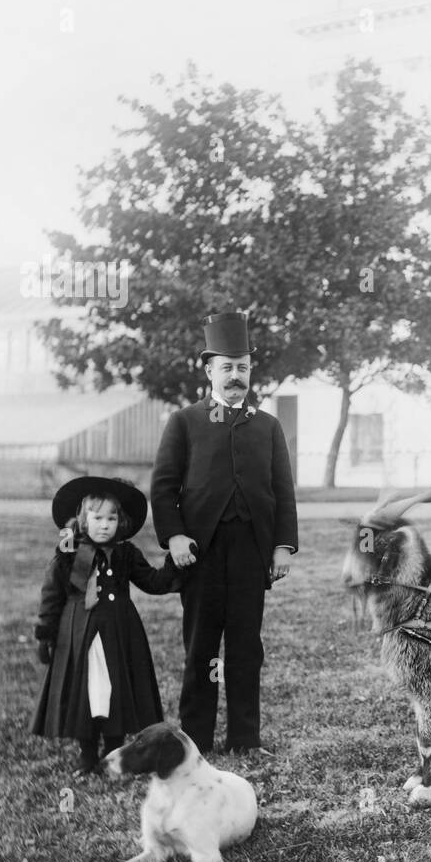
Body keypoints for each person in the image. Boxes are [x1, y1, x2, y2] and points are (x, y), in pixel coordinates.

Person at [150, 312, 298, 756]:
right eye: (227, 367)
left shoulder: (267, 426)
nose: (236, 376)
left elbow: (282, 492)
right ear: (210, 370)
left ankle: (245, 739)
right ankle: (194, 740)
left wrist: (282, 545)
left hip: (251, 554)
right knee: (201, 648)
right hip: (200, 554)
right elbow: (163, 488)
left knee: (246, 647)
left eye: (243, 367)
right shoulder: (185, 422)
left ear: (251, 371)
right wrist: (174, 537)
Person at [32, 477, 180, 775]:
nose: (104, 525)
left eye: (111, 518)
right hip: (78, 634)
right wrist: (45, 635)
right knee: (85, 691)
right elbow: (52, 597)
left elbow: (153, 581)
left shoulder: (126, 554)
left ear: (121, 522)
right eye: (97, 517)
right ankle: (87, 756)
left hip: (119, 633)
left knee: (115, 689)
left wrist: (175, 563)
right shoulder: (68, 554)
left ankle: (113, 752)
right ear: (83, 520)